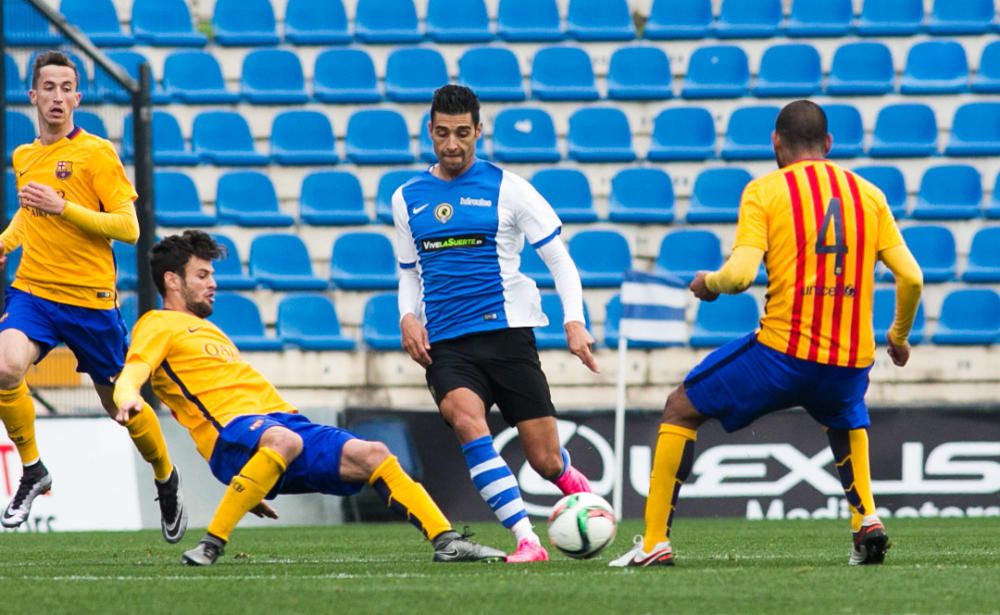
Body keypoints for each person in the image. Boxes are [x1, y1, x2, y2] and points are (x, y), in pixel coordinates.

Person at [610, 100, 924, 568]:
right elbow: (913, 277)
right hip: (849, 361)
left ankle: (654, 542)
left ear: (775, 142)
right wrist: (898, 336)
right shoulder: (869, 195)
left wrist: (708, 284)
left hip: (782, 355)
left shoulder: (765, 190)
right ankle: (866, 521)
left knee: (681, 406)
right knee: (844, 417)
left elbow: (739, 276)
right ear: (829, 145)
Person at [112, 231, 505, 565]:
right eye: (202, 275)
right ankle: (211, 545)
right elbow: (138, 372)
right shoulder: (157, 324)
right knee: (285, 440)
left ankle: (447, 541)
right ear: (172, 281)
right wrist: (127, 396)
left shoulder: (209, 332)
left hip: (280, 425)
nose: (213, 282)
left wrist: (249, 485)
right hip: (239, 435)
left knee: (374, 454)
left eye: (212, 274)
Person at [393, 84, 598, 563]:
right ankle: (527, 539)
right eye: (442, 133)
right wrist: (406, 315)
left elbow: (561, 263)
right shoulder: (407, 199)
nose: (452, 144)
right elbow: (408, 272)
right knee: (468, 421)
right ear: (430, 131)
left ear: (478, 131)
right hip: (447, 345)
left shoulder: (510, 189)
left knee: (547, 461)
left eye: (462, 133)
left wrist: (574, 321)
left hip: (508, 338)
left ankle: (590, 507)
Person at [0, 51, 185, 542]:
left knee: (121, 406)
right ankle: (34, 470)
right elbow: (29, 215)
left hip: (90, 301)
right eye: (49, 87)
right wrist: (4, 243)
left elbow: (128, 227)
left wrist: (65, 208)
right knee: (3, 366)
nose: (58, 97)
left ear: (77, 98)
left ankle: (166, 477)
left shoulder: (97, 153)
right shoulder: (24, 156)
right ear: (32, 96)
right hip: (34, 293)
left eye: (67, 88)